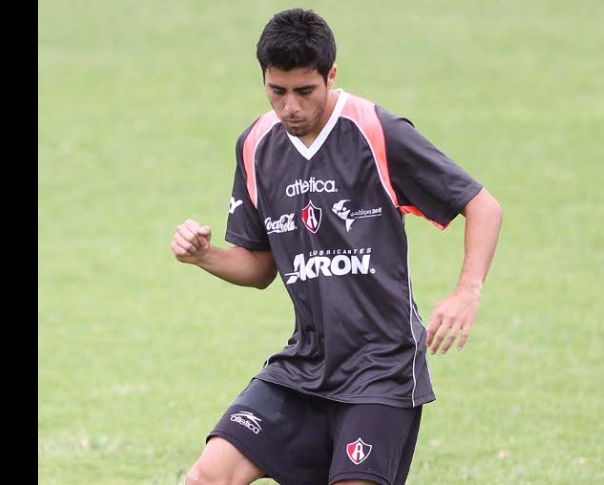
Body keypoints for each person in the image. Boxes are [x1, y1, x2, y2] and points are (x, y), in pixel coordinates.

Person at [171, 8, 503, 485]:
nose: (291, 107)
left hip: (380, 370)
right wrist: (205, 256)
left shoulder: (374, 130)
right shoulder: (256, 145)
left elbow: (483, 206)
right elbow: (260, 266)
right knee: (205, 477)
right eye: (277, 91)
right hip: (303, 365)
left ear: (331, 74)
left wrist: (467, 291)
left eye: (305, 91)